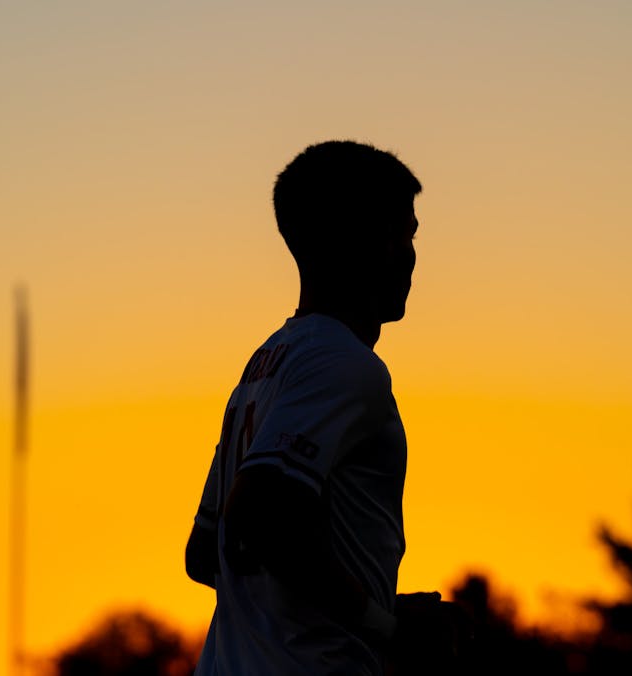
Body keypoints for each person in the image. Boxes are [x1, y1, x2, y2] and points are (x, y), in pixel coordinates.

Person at [185, 141, 454, 675]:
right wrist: (390, 630)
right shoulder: (343, 365)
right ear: (368, 240)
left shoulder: (265, 368)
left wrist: (371, 603)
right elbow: (261, 518)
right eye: (406, 233)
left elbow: (205, 552)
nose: (411, 254)